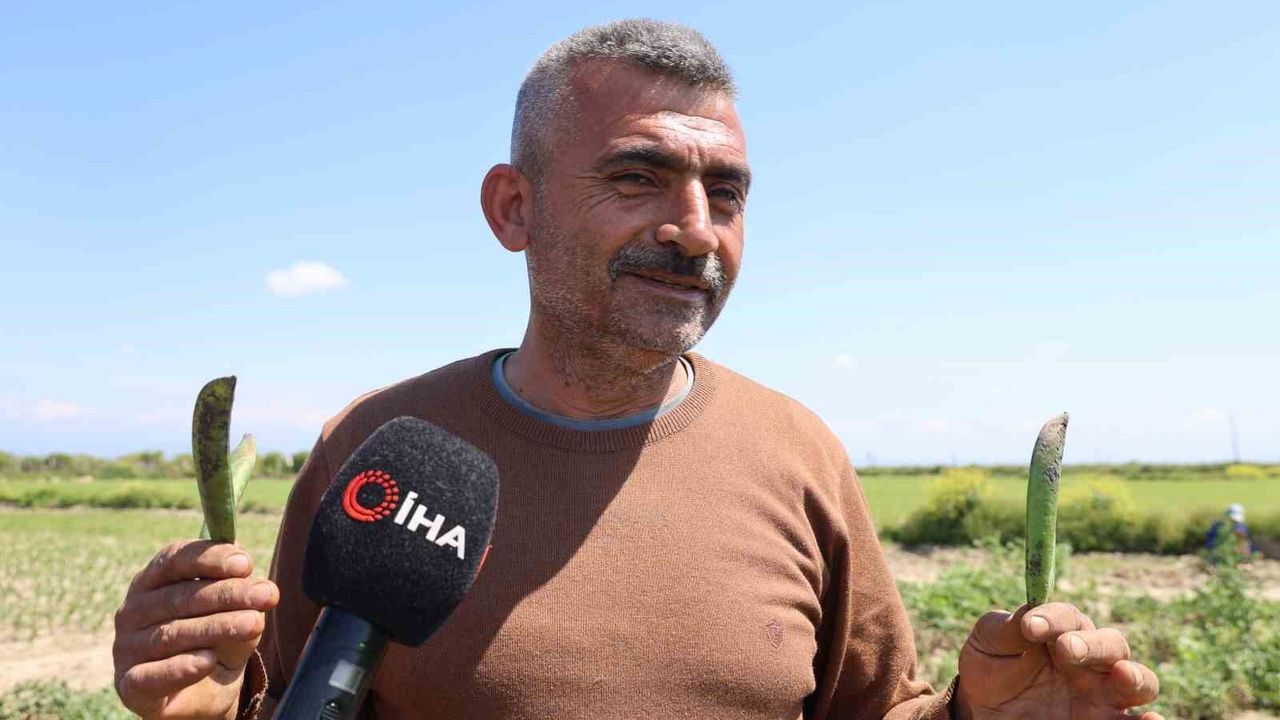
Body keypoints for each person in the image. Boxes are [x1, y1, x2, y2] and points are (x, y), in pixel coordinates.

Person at [112, 19, 1164, 720]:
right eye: (637, 176)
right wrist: (202, 710)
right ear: (513, 208)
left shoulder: (798, 454)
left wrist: (976, 718)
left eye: (727, 193)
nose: (695, 229)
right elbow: (286, 700)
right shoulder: (382, 449)